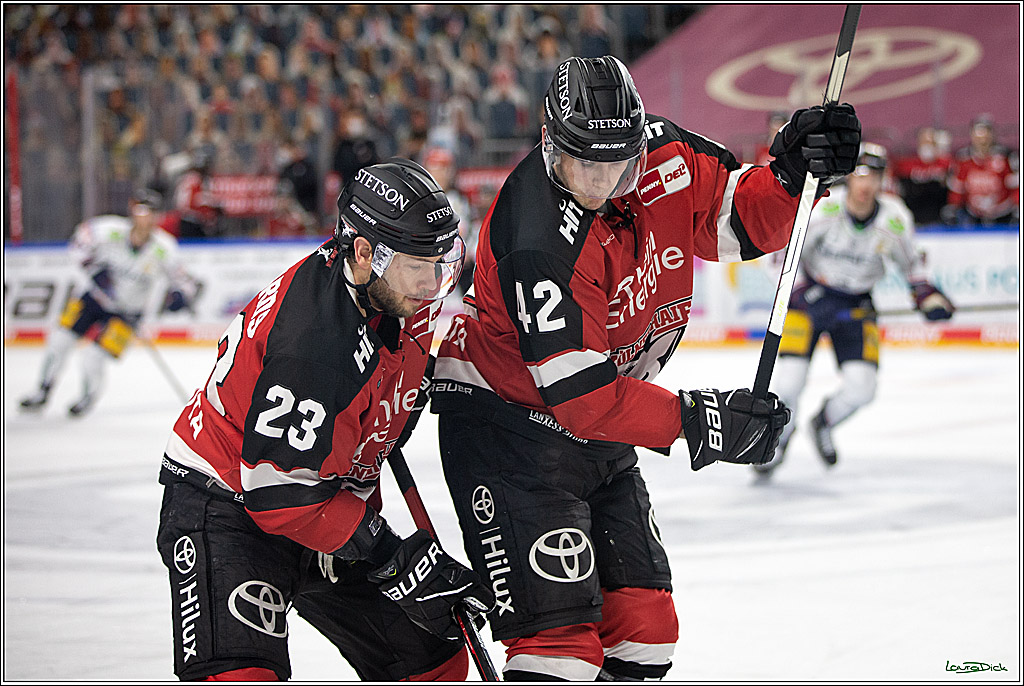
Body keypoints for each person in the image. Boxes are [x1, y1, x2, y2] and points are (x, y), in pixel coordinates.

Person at [430, 55, 860, 681]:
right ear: (551, 144)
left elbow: (734, 221)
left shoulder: (670, 158)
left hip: (606, 423)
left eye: (616, 161)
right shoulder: (535, 233)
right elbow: (580, 398)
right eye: (584, 162)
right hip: (509, 429)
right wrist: (702, 420)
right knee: (559, 650)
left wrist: (792, 175)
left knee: (646, 636)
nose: (601, 181)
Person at [155, 158, 494, 682]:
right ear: (364, 253)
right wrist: (391, 554)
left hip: (318, 497)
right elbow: (278, 492)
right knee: (241, 677)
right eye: (420, 266)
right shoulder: (314, 344)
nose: (434, 285)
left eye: (441, 265)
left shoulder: (396, 288)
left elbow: (368, 421)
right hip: (229, 504)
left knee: (430, 659)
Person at [754, 144, 955, 480]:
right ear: (849, 178)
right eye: (860, 175)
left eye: (874, 176)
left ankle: (824, 422)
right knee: (789, 384)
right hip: (810, 302)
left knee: (863, 388)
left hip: (856, 306)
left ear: (882, 180)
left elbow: (913, 268)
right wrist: (801, 290)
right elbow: (781, 254)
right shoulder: (823, 208)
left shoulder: (894, 217)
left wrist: (928, 297)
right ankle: (780, 439)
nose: (866, 184)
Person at [19, 190, 198, 416]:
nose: (145, 218)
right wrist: (93, 269)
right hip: (92, 299)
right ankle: (42, 390)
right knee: (59, 341)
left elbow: (185, 280)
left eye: (151, 213)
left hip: (128, 313)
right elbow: (79, 241)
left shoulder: (164, 247)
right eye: (141, 211)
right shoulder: (109, 230)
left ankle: (86, 398)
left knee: (93, 357)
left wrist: (180, 295)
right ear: (132, 212)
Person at [943, 115, 1019, 226]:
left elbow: (1015, 186)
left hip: (1003, 214)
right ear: (972, 136)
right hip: (974, 215)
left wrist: (1017, 208)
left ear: (992, 135)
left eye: (985, 135)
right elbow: (958, 188)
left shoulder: (1005, 156)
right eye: (978, 136)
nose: (982, 140)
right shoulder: (963, 158)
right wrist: (953, 207)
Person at [891, 126, 952, 226]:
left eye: (931, 142)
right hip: (914, 212)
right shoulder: (906, 164)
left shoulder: (945, 164)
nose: (927, 145)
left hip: (937, 213)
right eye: (924, 141)